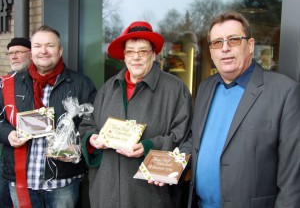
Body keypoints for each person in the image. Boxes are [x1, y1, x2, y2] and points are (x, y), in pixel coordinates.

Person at [180, 11, 300, 208]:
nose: (225, 48)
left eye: (234, 40)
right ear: (211, 51)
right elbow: (196, 141)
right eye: (217, 42)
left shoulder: (284, 93)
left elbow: (293, 179)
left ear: (250, 45)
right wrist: (166, 166)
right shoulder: (205, 87)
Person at [79, 21, 192, 208]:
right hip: (106, 193)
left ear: (154, 54)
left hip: (150, 195)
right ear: (124, 56)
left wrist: (148, 146)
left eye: (143, 51)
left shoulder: (175, 89)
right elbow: (87, 125)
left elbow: (185, 138)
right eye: (130, 51)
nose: (136, 58)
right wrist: (92, 139)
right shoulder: (108, 88)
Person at [0, 25, 96, 208]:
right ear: (32, 51)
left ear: (60, 50)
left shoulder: (82, 84)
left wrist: (77, 147)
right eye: (37, 46)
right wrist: (8, 134)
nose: (43, 51)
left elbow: (93, 124)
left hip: (63, 182)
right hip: (21, 181)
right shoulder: (9, 84)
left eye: (50, 45)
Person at [0, 37, 31, 208]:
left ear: (32, 54)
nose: (14, 56)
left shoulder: (44, 82)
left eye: (19, 52)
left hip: (46, 168)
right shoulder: (3, 84)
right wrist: (7, 133)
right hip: (11, 163)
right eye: (10, 53)